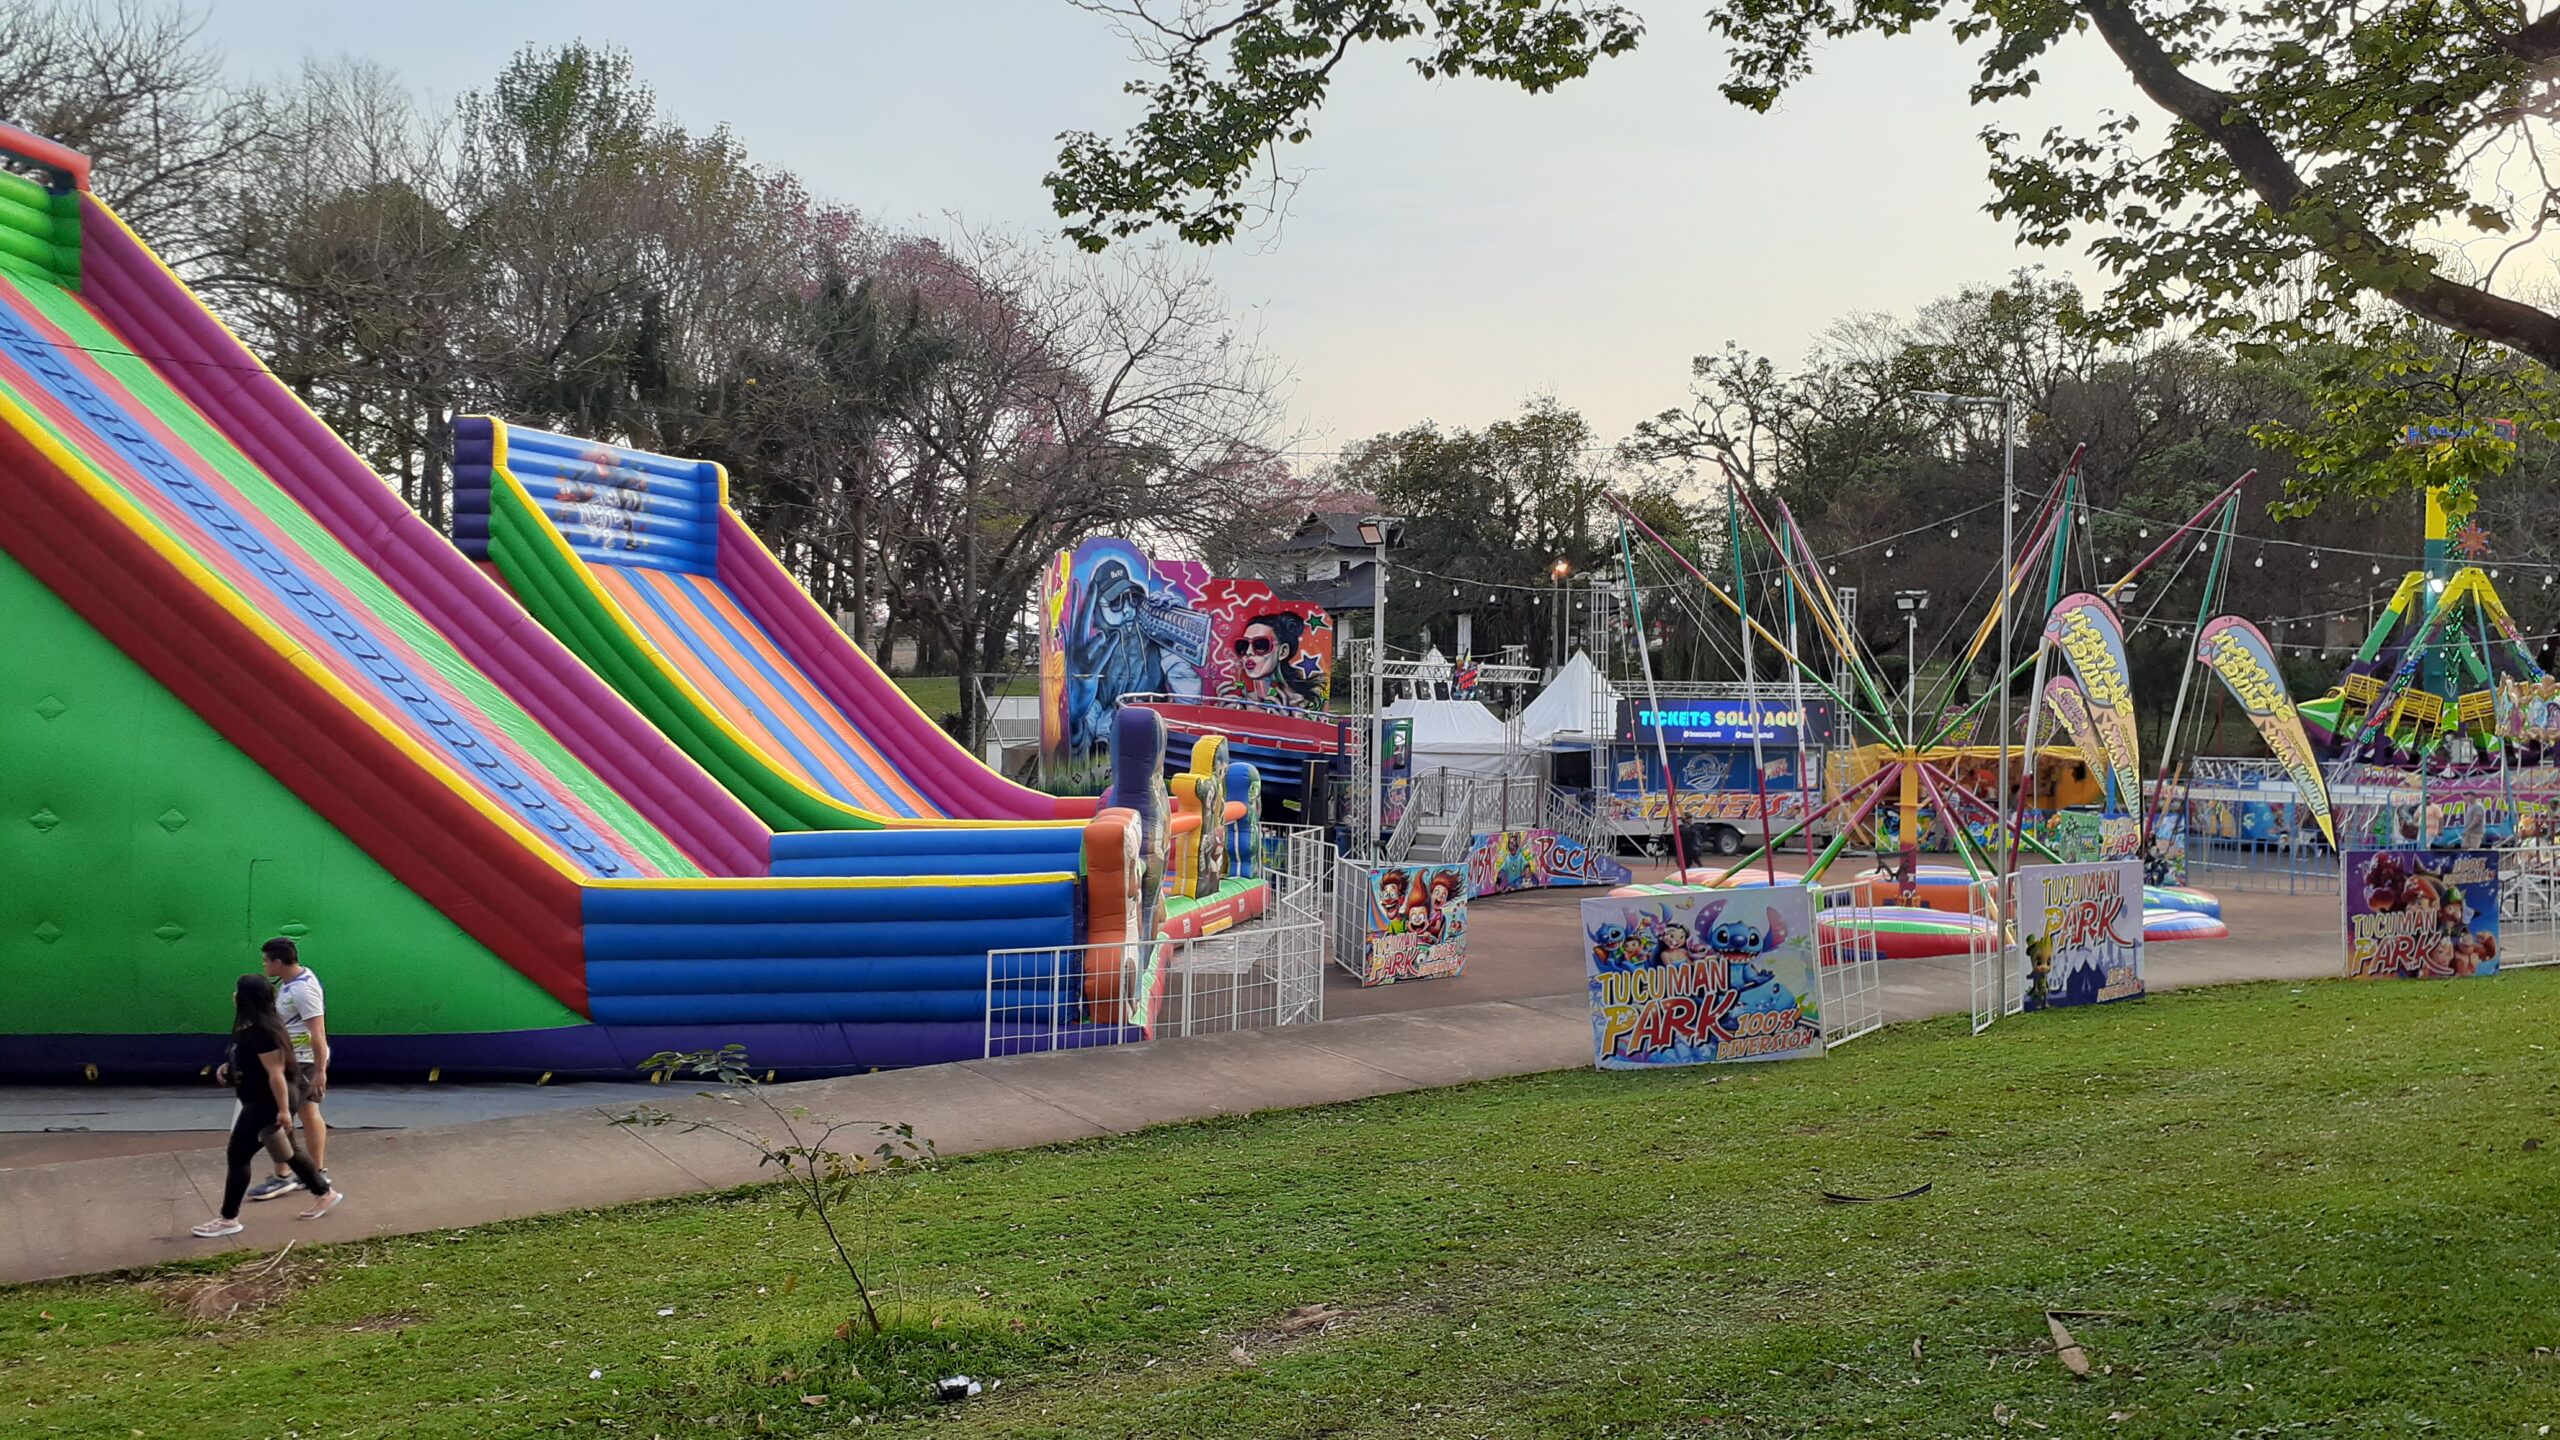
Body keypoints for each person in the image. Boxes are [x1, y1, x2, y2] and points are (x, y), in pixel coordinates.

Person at [194, 975, 340, 1236]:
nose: (233, 995)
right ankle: (325, 1192)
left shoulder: (263, 1032)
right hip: (262, 1099)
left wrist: (283, 1111)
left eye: (237, 990)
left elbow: (276, 1074)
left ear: (245, 998)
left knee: (238, 1155)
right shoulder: (251, 1026)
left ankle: (229, 1219)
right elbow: (253, 1061)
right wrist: (230, 1067)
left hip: (267, 1103)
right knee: (289, 1150)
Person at [244, 937, 330, 1202]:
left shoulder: (302, 991)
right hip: (295, 1059)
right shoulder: (292, 982)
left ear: (278, 962)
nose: (264, 965)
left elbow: (317, 1032)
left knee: (280, 1117)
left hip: (300, 1062)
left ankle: (283, 1176)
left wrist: (319, 1071)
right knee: (308, 1111)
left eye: (266, 961)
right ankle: (313, 1172)